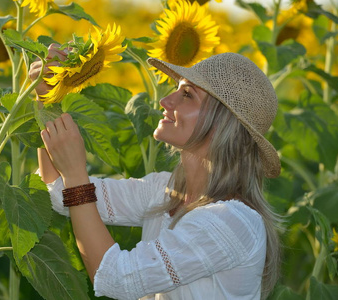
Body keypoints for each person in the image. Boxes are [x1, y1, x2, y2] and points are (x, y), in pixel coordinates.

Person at [31, 44, 282, 300]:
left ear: (222, 124)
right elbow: (60, 193)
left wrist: (75, 173)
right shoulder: (166, 191)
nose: (165, 101)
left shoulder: (230, 222)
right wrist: (47, 99)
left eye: (187, 94)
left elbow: (116, 278)